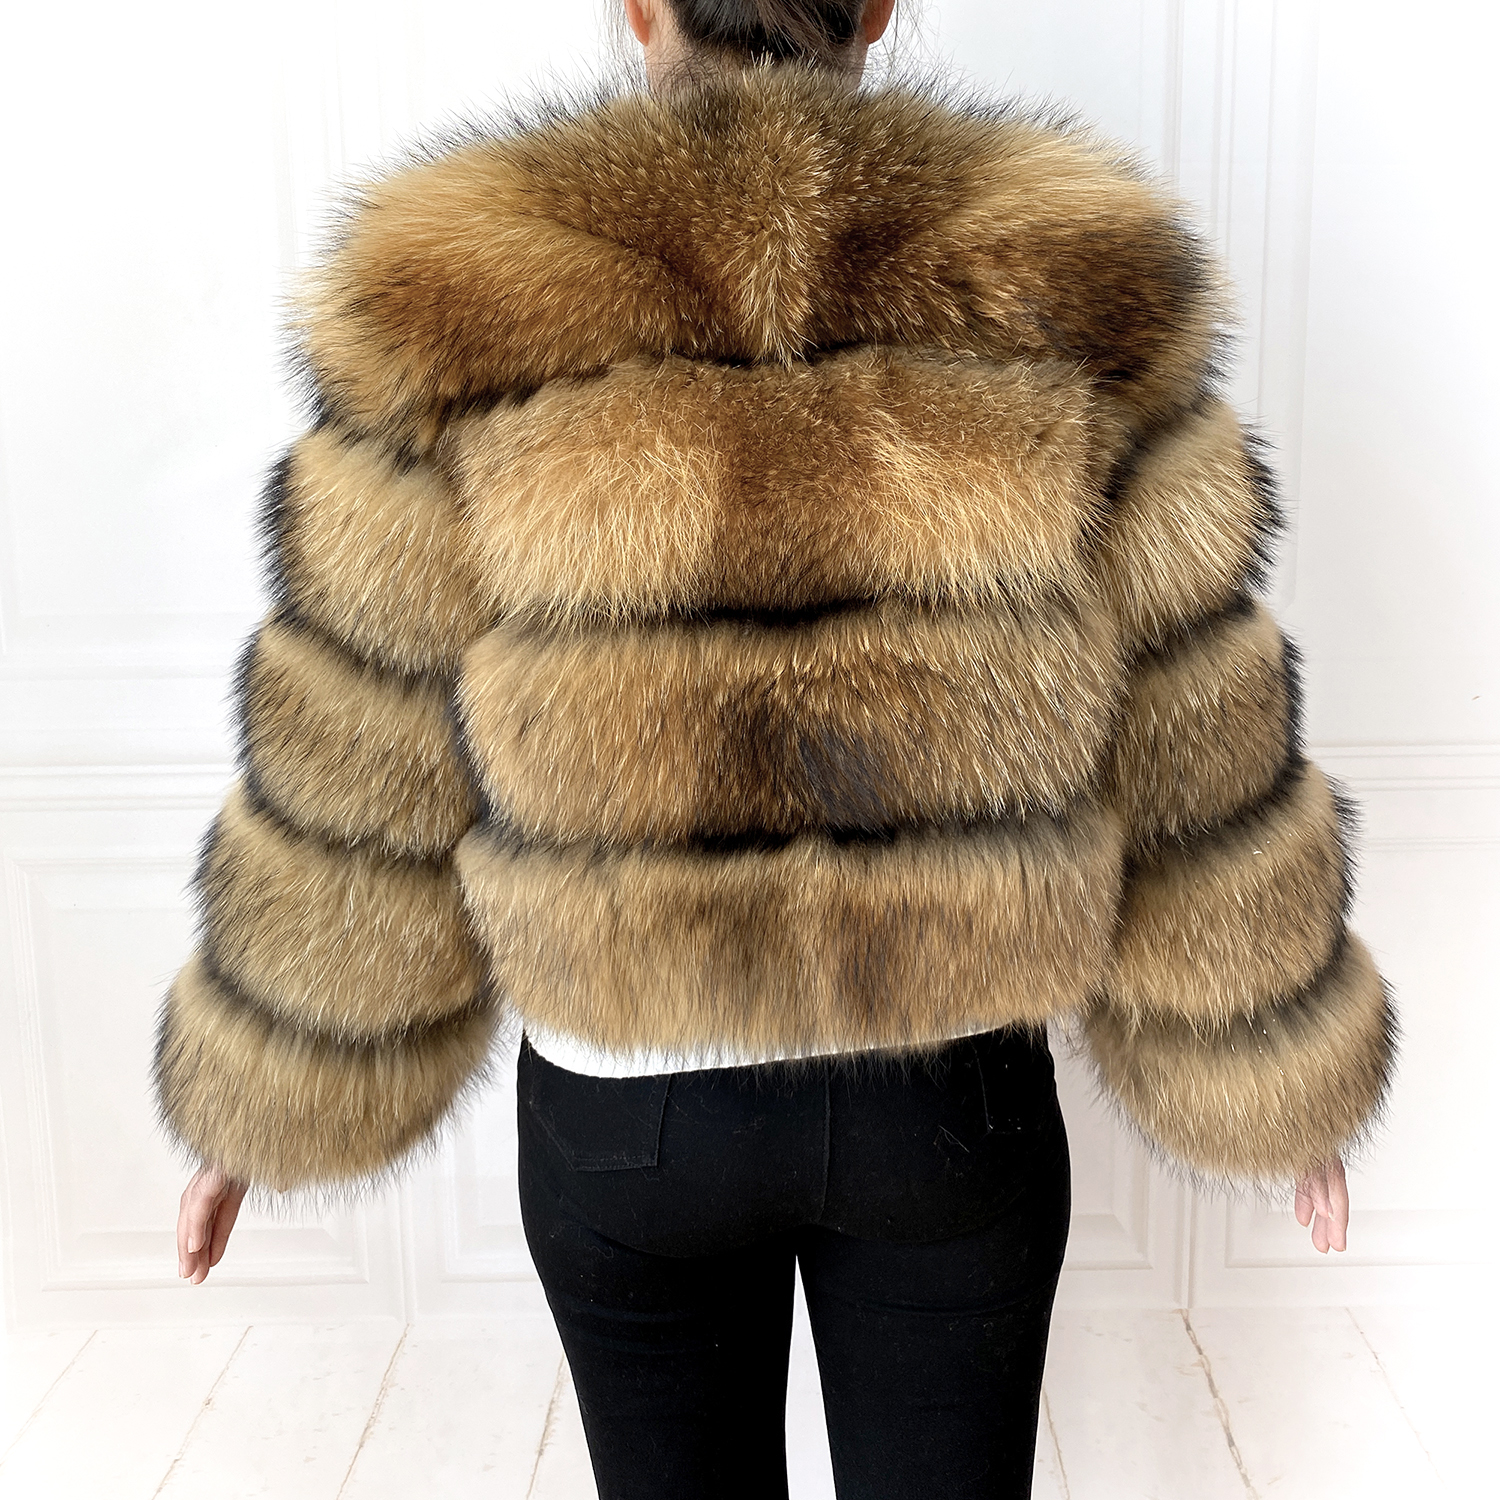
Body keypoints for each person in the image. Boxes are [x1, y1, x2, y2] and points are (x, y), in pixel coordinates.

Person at [165, 1, 1392, 1494]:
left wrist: (262, 1097)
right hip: (946, 1103)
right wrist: (1276, 1068)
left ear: (638, 6)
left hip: (631, 1111)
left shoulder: (452, 295)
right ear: (877, 9)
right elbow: (1193, 732)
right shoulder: (1069, 275)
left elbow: (360, 758)